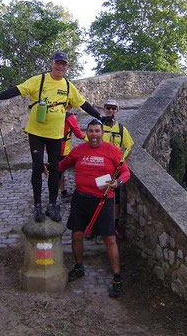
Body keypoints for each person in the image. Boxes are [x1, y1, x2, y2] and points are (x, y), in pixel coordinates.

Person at [0, 51, 110, 223]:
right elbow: (17, 90)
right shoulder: (40, 80)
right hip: (36, 133)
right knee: (37, 167)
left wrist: (100, 117)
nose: (60, 66)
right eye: (58, 63)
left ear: (67, 67)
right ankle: (37, 205)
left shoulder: (67, 86)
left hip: (56, 135)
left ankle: (52, 204)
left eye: (64, 64)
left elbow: (83, 104)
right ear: (52, 63)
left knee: (54, 169)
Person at [59, 119, 130, 298]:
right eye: (91, 131)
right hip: (80, 198)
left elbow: (125, 172)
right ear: (87, 133)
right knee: (76, 234)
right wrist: (47, 168)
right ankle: (78, 266)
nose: (94, 135)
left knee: (109, 239)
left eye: (97, 131)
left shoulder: (112, 151)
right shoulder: (78, 150)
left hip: (103, 200)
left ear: (102, 133)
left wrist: (118, 183)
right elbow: (62, 165)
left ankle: (117, 277)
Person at [101, 98, 134, 238]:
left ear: (118, 111)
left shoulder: (121, 129)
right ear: (104, 109)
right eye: (108, 107)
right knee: (96, 195)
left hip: (115, 168)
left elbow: (129, 146)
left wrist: (121, 160)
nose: (111, 110)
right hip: (99, 167)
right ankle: (96, 223)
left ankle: (113, 225)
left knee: (115, 198)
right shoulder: (98, 126)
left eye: (114, 108)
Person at [59, 104, 85, 199]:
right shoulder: (70, 116)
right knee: (76, 167)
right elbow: (78, 133)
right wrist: (89, 137)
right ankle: (80, 190)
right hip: (64, 149)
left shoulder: (52, 113)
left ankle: (62, 191)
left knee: (58, 171)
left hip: (51, 147)